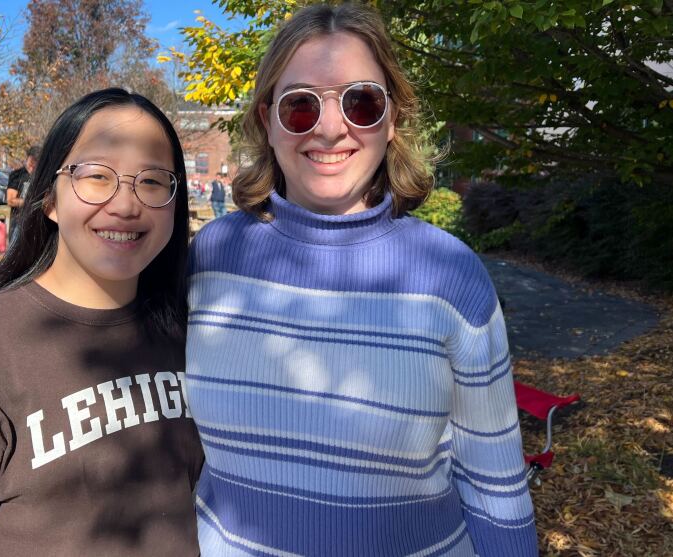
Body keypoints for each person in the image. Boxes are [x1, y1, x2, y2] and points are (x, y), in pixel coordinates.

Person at [185, 4, 537, 556]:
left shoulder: (450, 275)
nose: (330, 128)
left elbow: (494, 483)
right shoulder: (210, 256)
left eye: (362, 102)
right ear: (266, 119)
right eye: (300, 105)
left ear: (392, 119)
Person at [0, 88, 202, 556]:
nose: (126, 205)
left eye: (151, 181)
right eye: (96, 176)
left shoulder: (193, 331)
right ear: (48, 200)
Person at [6, 145, 40, 244]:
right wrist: (32, 202)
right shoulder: (17, 175)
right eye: (31, 161)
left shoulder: (41, 175)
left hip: (37, 223)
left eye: (36, 161)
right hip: (18, 222)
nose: (33, 165)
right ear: (27, 158)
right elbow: (10, 200)